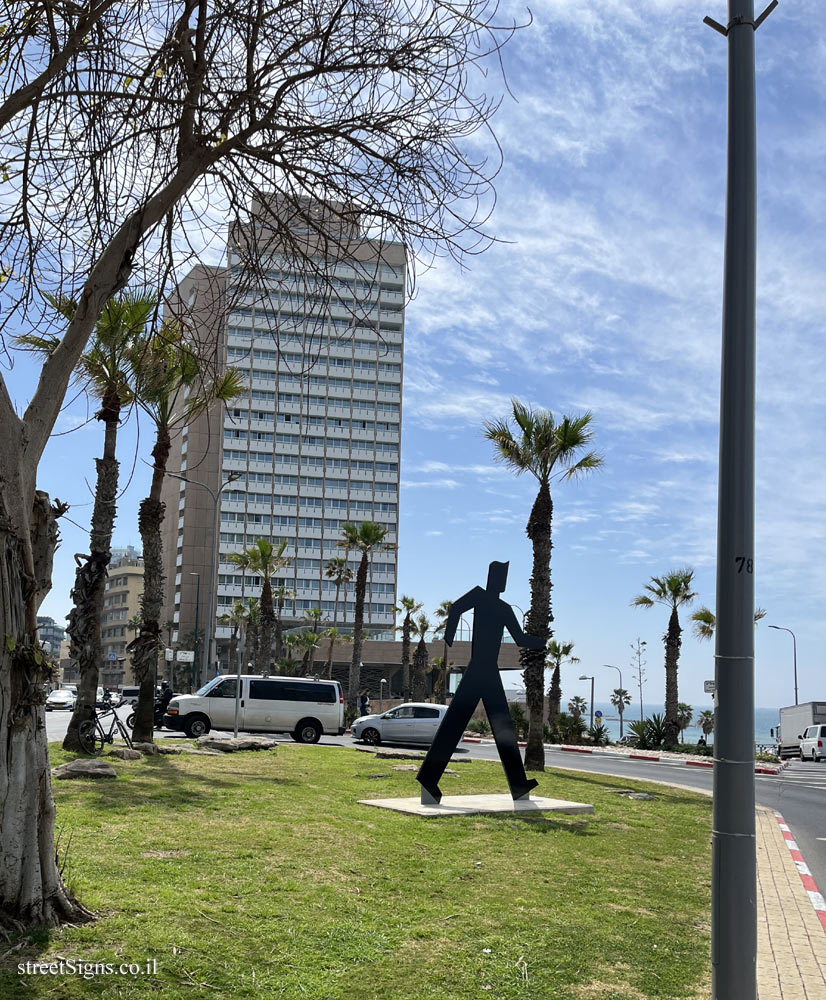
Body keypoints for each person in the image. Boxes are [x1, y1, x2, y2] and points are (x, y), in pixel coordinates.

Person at [416, 560, 544, 804]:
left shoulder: (502, 607)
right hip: (480, 671)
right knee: (460, 724)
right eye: (500, 577)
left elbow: (519, 638)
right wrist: (449, 636)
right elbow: (456, 609)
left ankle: (518, 784)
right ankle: (430, 778)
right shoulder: (485, 598)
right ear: (494, 578)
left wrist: (540, 642)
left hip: (486, 671)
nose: (502, 582)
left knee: (499, 727)